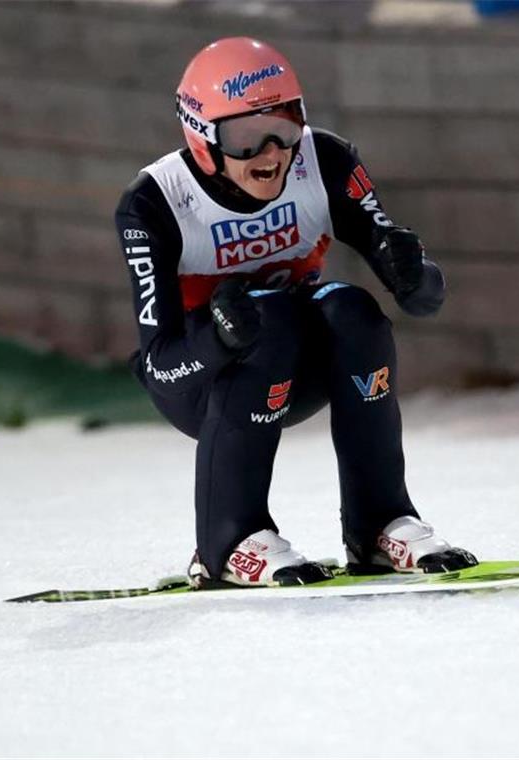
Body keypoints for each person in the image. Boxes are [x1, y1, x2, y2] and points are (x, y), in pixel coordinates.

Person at [113, 37, 478, 588]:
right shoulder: (155, 202)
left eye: (284, 125)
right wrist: (218, 339)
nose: (270, 152)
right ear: (202, 139)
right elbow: (159, 365)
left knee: (354, 311)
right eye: (243, 136)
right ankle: (229, 542)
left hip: (290, 366)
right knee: (271, 321)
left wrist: (414, 276)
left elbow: (422, 298)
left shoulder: (324, 160)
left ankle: (380, 523)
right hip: (199, 381)